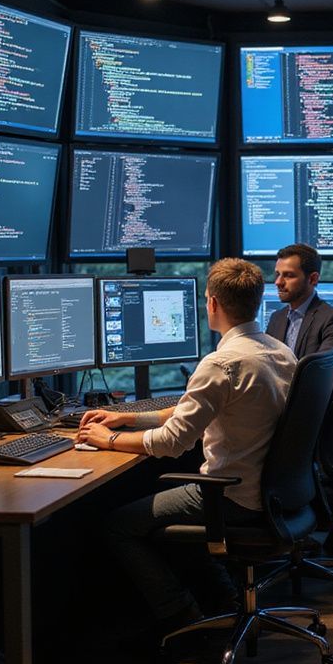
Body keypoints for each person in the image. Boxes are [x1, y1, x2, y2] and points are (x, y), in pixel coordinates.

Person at [77, 258, 297, 639]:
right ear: (258, 301)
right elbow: (190, 410)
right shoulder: (279, 352)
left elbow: (172, 443)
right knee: (169, 508)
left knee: (117, 525)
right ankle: (226, 602)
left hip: (232, 496)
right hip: (274, 494)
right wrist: (128, 419)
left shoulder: (221, 363)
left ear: (212, 304)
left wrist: (107, 440)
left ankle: (181, 616)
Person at [265, 243, 333, 375]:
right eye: (277, 274)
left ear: (313, 279)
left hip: (309, 395)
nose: (278, 282)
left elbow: (319, 372)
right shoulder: (276, 318)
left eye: (288, 275)